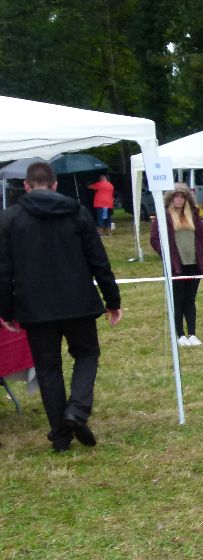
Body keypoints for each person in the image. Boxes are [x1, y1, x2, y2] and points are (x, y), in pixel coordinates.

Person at [0, 161, 122, 452]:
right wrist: (112, 300)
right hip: (77, 302)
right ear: (55, 184)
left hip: (36, 307)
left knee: (48, 368)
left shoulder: (9, 219)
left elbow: (4, 270)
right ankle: (76, 411)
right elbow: (98, 259)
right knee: (87, 354)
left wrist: (6, 310)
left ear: (26, 186)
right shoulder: (78, 212)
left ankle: (61, 433)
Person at [149, 182, 203, 348]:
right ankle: (180, 334)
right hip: (176, 265)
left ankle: (192, 333)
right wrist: (166, 255)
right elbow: (154, 238)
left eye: (182, 196)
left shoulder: (194, 214)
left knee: (190, 300)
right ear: (171, 198)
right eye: (176, 196)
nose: (179, 199)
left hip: (194, 264)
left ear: (186, 198)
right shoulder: (163, 215)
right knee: (178, 300)